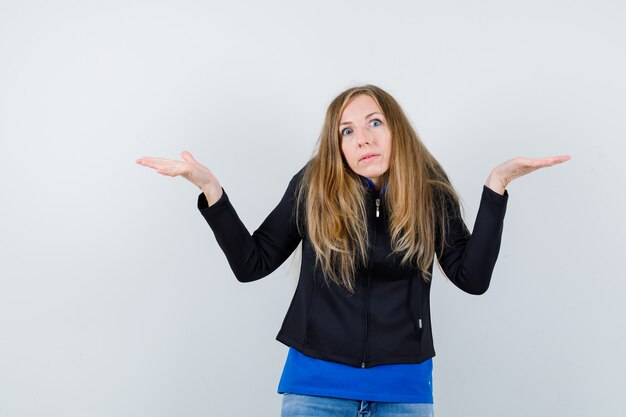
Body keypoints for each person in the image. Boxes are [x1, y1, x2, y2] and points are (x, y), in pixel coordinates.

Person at [136, 84, 570, 417]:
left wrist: (497, 187)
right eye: (347, 131)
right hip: (315, 391)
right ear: (338, 145)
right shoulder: (314, 186)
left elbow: (471, 278)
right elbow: (254, 263)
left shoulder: (429, 190)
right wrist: (211, 190)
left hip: (404, 393)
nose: (362, 138)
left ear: (395, 129)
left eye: (374, 123)